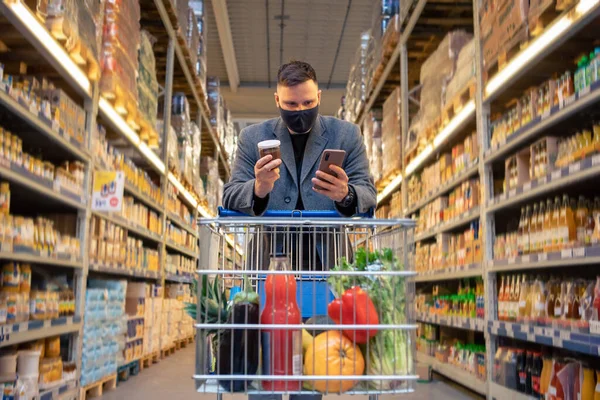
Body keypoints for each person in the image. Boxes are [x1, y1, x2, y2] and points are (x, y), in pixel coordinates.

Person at [222, 60, 377, 399]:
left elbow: (368, 192)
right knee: (270, 354)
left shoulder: (345, 135)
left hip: (328, 262)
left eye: (308, 103)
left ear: (319, 96)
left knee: (319, 356)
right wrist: (259, 188)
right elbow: (230, 193)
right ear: (277, 100)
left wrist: (345, 194)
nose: (300, 111)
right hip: (272, 264)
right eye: (291, 105)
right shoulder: (252, 138)